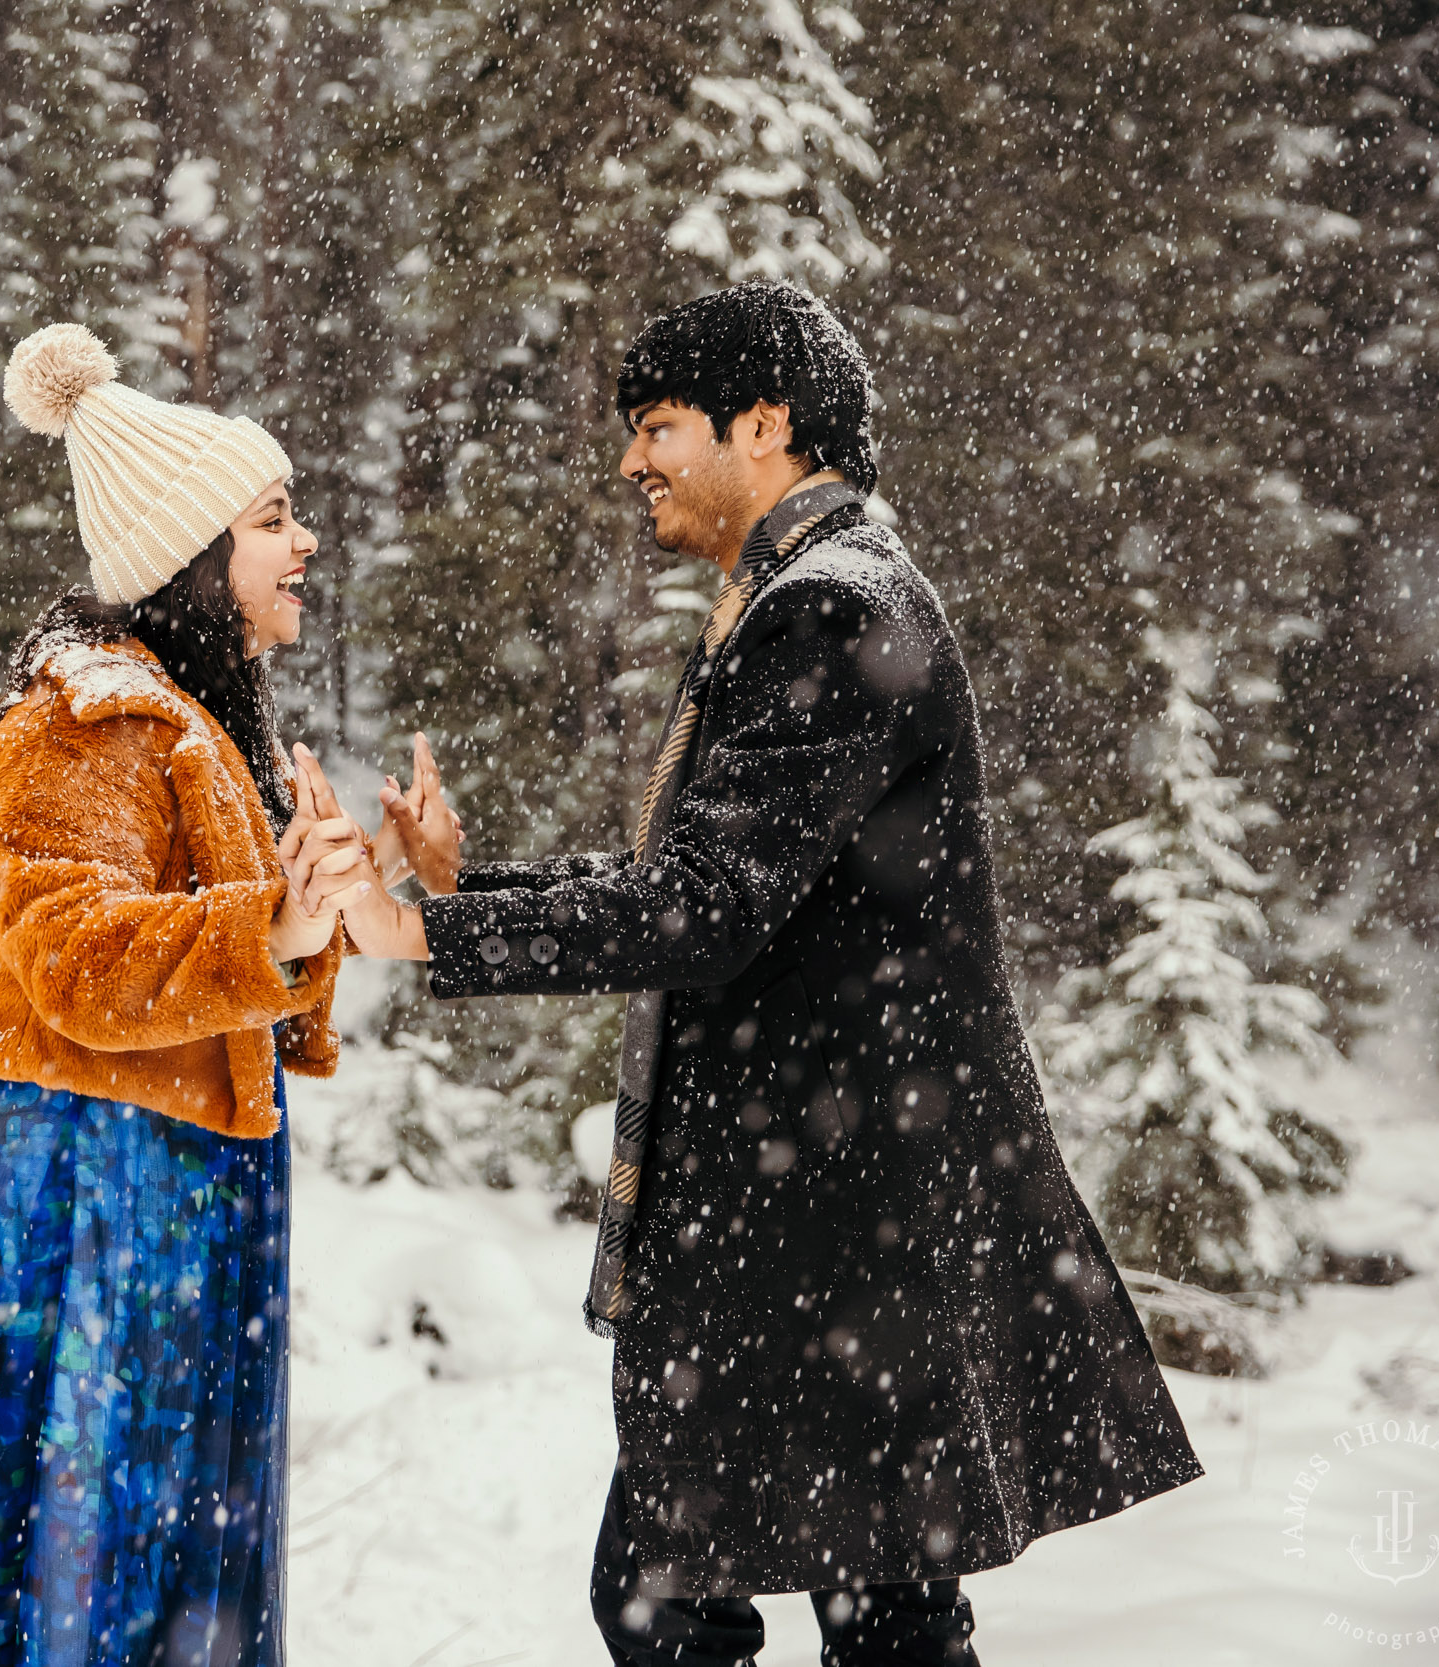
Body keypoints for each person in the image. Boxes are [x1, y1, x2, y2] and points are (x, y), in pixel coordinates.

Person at [322, 281, 1204, 1666]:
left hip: (835, 1227)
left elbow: (703, 912)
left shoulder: (830, 614)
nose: (631, 461)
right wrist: (464, 889)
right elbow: (722, 893)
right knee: (875, 1610)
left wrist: (423, 932)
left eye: (660, 426)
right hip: (844, 1220)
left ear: (768, 424)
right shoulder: (816, 596)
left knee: (688, 1599)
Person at [0, 322, 373, 1667]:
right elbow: (79, 966)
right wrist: (274, 922)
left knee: (132, 1554)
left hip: (163, 1183)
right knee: (74, 1547)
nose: (303, 542)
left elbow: (226, 974)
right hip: (84, 1194)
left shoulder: (182, 722)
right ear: (195, 556)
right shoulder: (87, 722)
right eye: (273, 518)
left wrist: (330, 911)